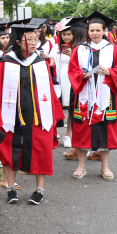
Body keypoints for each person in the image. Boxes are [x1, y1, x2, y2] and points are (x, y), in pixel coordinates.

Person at [0, 22, 65, 205]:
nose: (35, 43)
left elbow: (49, 91)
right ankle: (10, 188)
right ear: (18, 41)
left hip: (37, 117)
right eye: (30, 39)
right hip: (12, 116)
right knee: (11, 150)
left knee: (41, 150)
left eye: (36, 39)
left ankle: (39, 190)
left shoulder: (40, 62)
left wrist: (54, 116)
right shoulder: (6, 62)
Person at [68, 11, 117, 181]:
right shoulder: (80, 49)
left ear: (104, 30)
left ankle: (105, 167)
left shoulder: (113, 49)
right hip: (85, 95)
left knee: (105, 129)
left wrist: (109, 72)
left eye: (98, 30)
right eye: (92, 30)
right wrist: (82, 75)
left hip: (105, 97)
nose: (94, 33)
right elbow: (72, 70)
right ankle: (81, 166)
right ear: (88, 31)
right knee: (82, 128)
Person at [51, 18, 87, 150]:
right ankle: (53, 134)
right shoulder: (57, 48)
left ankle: (68, 135)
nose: (66, 37)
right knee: (56, 107)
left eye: (69, 34)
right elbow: (52, 63)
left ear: (75, 34)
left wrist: (73, 54)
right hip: (59, 79)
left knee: (72, 108)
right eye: (64, 34)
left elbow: (82, 65)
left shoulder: (80, 48)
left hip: (71, 80)